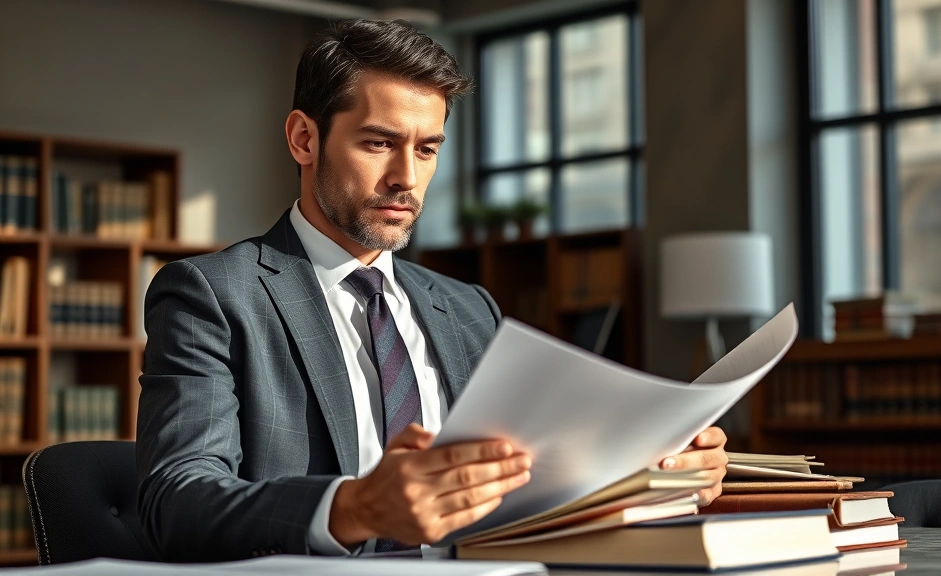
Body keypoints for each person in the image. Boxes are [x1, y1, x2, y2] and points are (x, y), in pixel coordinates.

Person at [136, 19, 728, 562]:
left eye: (427, 149)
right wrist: (358, 507)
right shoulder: (212, 296)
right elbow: (177, 499)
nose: (407, 179)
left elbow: (534, 479)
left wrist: (654, 472)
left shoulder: (470, 309)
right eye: (377, 143)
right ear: (303, 139)